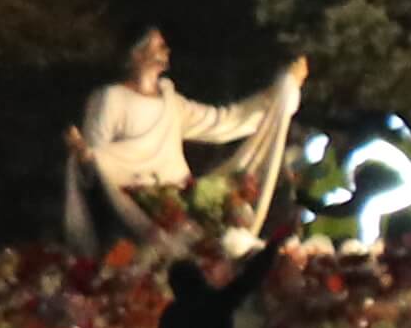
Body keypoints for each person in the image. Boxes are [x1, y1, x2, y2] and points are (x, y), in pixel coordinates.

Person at [64, 26, 303, 241]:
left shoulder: (172, 102)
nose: (166, 50)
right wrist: (87, 160)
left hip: (180, 206)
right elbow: (96, 162)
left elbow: (222, 121)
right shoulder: (110, 98)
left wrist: (277, 96)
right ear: (136, 54)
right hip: (130, 212)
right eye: (159, 45)